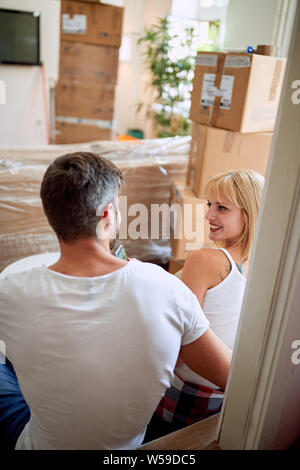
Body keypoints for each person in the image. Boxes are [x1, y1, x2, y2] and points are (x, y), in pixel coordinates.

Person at [0, 152, 232, 450]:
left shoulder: (11, 291)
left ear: (51, 216)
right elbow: (231, 378)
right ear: (108, 215)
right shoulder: (167, 289)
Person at [144, 169, 264, 442]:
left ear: (250, 213)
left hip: (185, 397)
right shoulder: (262, 268)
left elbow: (175, 340)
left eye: (222, 208)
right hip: (225, 402)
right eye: (210, 205)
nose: (209, 215)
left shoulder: (205, 260)